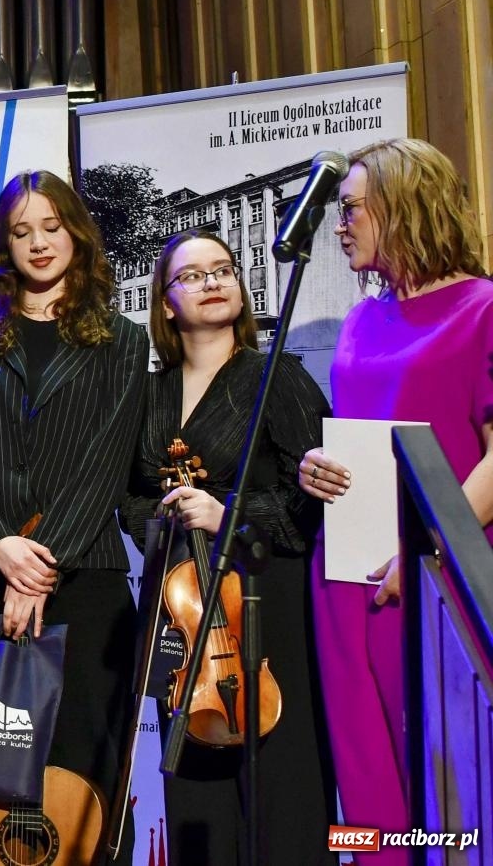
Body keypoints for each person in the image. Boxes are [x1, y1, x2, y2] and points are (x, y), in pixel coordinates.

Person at [0, 170, 146, 862]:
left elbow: (105, 464)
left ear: (76, 233)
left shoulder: (122, 340)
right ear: (4, 247)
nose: (39, 243)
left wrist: (36, 570)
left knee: (85, 788)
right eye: (22, 232)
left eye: (51, 226)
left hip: (85, 584)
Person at [296, 138, 493, 862]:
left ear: (403, 203)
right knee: (370, 791)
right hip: (348, 581)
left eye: (350, 208)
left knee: (449, 786)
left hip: (436, 581)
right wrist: (315, 468)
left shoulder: (482, 308)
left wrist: (427, 547)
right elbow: (363, 436)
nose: (339, 225)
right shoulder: (360, 320)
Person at [119, 229, 335, 865]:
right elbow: (128, 494)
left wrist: (227, 516)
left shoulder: (277, 378)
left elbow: (313, 496)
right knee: (193, 776)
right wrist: (158, 516)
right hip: (180, 609)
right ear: (165, 302)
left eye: (224, 270)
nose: (213, 281)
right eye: (193, 275)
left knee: (281, 775)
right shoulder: (149, 394)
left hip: (265, 597)